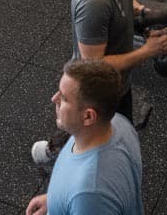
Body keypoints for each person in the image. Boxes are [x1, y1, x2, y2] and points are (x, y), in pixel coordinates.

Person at [26, 60, 143, 215]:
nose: (54, 99)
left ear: (88, 116)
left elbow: (89, 197)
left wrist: (78, 202)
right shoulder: (119, 123)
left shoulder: (89, 195)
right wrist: (55, 200)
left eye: (64, 98)